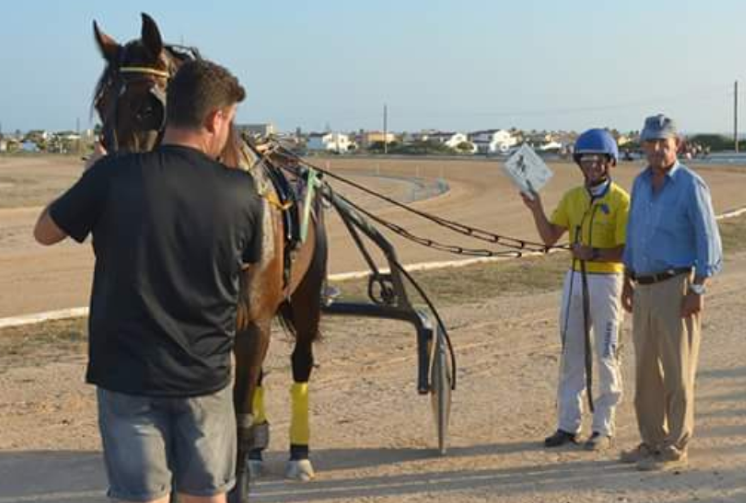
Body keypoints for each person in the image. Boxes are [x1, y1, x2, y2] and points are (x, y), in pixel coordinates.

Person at [33, 59, 264, 503]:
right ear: (216, 119)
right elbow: (246, 270)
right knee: (205, 496)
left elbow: (45, 232)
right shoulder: (241, 192)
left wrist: (90, 179)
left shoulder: (111, 175)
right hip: (206, 380)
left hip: (127, 379)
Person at [620, 114, 722, 471]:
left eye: (664, 142)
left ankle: (676, 445)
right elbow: (634, 233)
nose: (657, 149)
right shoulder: (640, 183)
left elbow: (708, 239)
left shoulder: (691, 185)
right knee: (645, 369)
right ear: (643, 146)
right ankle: (651, 440)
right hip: (643, 286)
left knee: (678, 370)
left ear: (676, 144)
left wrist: (698, 287)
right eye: (650, 142)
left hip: (676, 286)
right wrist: (627, 280)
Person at [521, 128, 629, 451]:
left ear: (610, 162)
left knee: (607, 353)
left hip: (607, 282)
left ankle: (603, 428)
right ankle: (568, 425)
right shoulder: (572, 198)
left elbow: (625, 251)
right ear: (579, 163)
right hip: (574, 279)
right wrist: (536, 208)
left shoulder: (621, 200)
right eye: (586, 159)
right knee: (571, 353)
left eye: (598, 160)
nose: (592, 165)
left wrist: (594, 253)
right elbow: (550, 237)